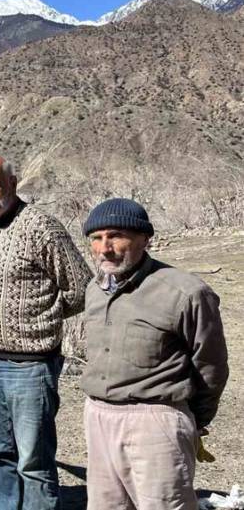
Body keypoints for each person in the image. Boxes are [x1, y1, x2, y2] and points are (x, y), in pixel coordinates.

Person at [81, 198, 228, 510]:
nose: (105, 248)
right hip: (98, 416)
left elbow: (211, 366)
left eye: (116, 236)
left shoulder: (185, 292)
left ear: (145, 239)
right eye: (96, 238)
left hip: (155, 419)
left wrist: (190, 418)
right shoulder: (94, 289)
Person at [0, 156, 91, 510]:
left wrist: (43, 314)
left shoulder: (42, 228)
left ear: (13, 182)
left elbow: (81, 288)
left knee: (33, 461)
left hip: (29, 366)